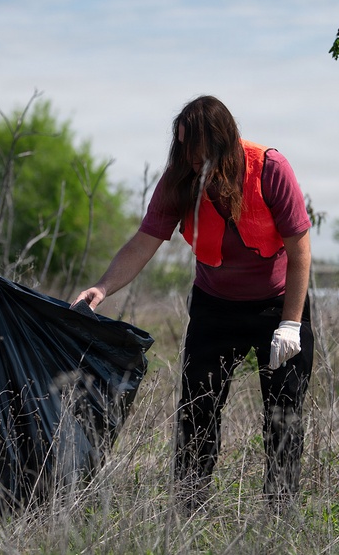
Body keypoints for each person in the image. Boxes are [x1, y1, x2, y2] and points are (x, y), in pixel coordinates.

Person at [73, 95, 313, 509]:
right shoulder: (179, 179)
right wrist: (103, 288)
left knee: (283, 412)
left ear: (222, 142)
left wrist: (290, 324)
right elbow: (143, 242)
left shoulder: (270, 168)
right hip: (214, 306)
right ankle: (189, 506)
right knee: (197, 410)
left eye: (198, 150)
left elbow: (300, 251)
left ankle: (281, 511)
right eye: (183, 148)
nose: (190, 158)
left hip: (277, 306)